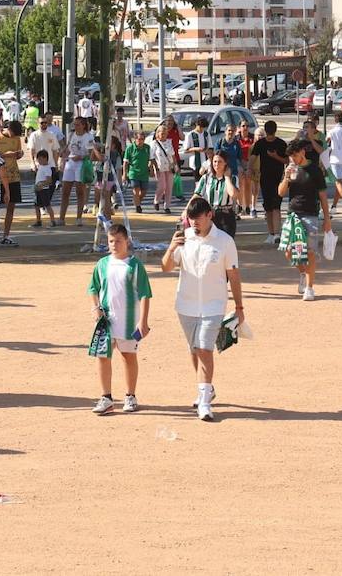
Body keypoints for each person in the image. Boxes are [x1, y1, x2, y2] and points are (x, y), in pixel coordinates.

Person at [162, 198, 243, 422]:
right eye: (191, 218)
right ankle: (206, 387)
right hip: (186, 304)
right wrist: (170, 248)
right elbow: (166, 267)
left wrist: (239, 306)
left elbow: (234, 275)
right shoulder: (183, 239)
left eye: (198, 218)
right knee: (194, 350)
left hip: (213, 305)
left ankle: (204, 401)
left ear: (210, 215)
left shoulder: (225, 241)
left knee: (204, 348)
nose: (194, 222)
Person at [88, 224, 153, 414]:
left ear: (127, 241)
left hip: (128, 321)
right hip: (106, 321)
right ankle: (106, 397)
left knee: (128, 357)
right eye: (110, 241)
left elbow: (145, 294)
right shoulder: (102, 264)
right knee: (102, 356)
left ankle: (130, 395)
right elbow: (93, 288)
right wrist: (95, 307)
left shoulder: (134, 265)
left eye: (118, 241)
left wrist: (143, 321)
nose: (114, 245)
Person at [278, 140, 332, 301]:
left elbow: (323, 195)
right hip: (292, 214)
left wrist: (327, 219)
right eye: (290, 156)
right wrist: (287, 178)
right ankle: (302, 272)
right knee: (289, 250)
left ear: (302, 152)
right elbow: (280, 193)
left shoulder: (314, 170)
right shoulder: (290, 169)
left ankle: (309, 287)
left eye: (295, 155)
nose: (293, 159)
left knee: (309, 251)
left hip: (310, 214)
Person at [251, 120, 288, 243]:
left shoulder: (281, 144)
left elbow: (287, 160)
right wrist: (249, 169)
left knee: (275, 206)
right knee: (269, 207)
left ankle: (276, 234)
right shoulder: (261, 144)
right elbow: (253, 157)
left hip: (277, 179)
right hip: (266, 179)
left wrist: (275, 156)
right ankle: (272, 234)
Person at [192, 151, 240, 238]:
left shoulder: (233, 178)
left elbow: (233, 194)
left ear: (225, 163)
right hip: (210, 215)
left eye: (220, 161)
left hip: (226, 215)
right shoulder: (206, 178)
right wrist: (186, 209)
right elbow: (197, 194)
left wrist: (227, 177)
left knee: (226, 243)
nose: (217, 164)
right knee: (210, 242)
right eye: (215, 161)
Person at [0, 120, 25, 247]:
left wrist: (18, 155)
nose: (14, 136)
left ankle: (6, 235)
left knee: (11, 206)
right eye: (13, 133)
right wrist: (5, 155)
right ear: (8, 129)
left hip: (14, 176)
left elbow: (18, 154)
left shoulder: (17, 139)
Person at [59, 117, 96, 227]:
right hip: (70, 163)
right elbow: (67, 148)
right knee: (65, 191)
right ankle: (61, 218)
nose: (75, 127)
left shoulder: (88, 137)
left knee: (80, 191)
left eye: (78, 124)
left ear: (83, 125)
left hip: (81, 163)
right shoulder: (71, 134)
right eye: (74, 125)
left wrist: (81, 157)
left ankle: (79, 217)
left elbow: (90, 153)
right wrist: (62, 157)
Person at [148, 124, 178, 214]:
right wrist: (154, 168)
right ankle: (156, 200)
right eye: (162, 132)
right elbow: (151, 157)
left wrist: (176, 165)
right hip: (159, 168)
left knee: (169, 187)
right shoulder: (154, 143)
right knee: (162, 186)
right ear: (157, 133)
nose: (164, 134)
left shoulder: (169, 142)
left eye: (165, 133)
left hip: (169, 167)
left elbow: (173, 155)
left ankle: (167, 206)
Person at [123, 129, 152, 214]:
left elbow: (150, 160)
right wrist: (124, 174)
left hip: (144, 173)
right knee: (136, 190)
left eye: (142, 139)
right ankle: (138, 206)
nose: (140, 141)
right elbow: (125, 162)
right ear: (135, 139)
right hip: (133, 173)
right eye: (139, 139)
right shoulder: (130, 148)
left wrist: (151, 170)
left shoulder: (147, 148)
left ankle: (137, 200)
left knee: (144, 191)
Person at [32, 149, 58, 227]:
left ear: (45, 158)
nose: (39, 161)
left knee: (47, 205)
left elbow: (49, 180)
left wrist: (41, 185)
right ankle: (38, 220)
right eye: (38, 159)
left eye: (40, 159)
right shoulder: (40, 166)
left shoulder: (47, 168)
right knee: (36, 205)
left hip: (44, 190)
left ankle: (53, 221)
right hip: (38, 190)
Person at [237, 123, 257, 217]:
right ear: (239, 128)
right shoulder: (237, 139)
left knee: (248, 185)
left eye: (246, 126)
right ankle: (240, 205)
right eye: (243, 126)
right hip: (240, 163)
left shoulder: (252, 138)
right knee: (240, 185)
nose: (245, 128)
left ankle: (248, 206)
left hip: (250, 164)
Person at [183, 117, 209, 182]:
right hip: (195, 162)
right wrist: (196, 149)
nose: (202, 129)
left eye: (203, 127)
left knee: (205, 181)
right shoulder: (190, 135)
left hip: (205, 162)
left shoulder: (206, 134)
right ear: (196, 125)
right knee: (198, 182)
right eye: (200, 127)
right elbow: (185, 150)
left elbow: (210, 147)